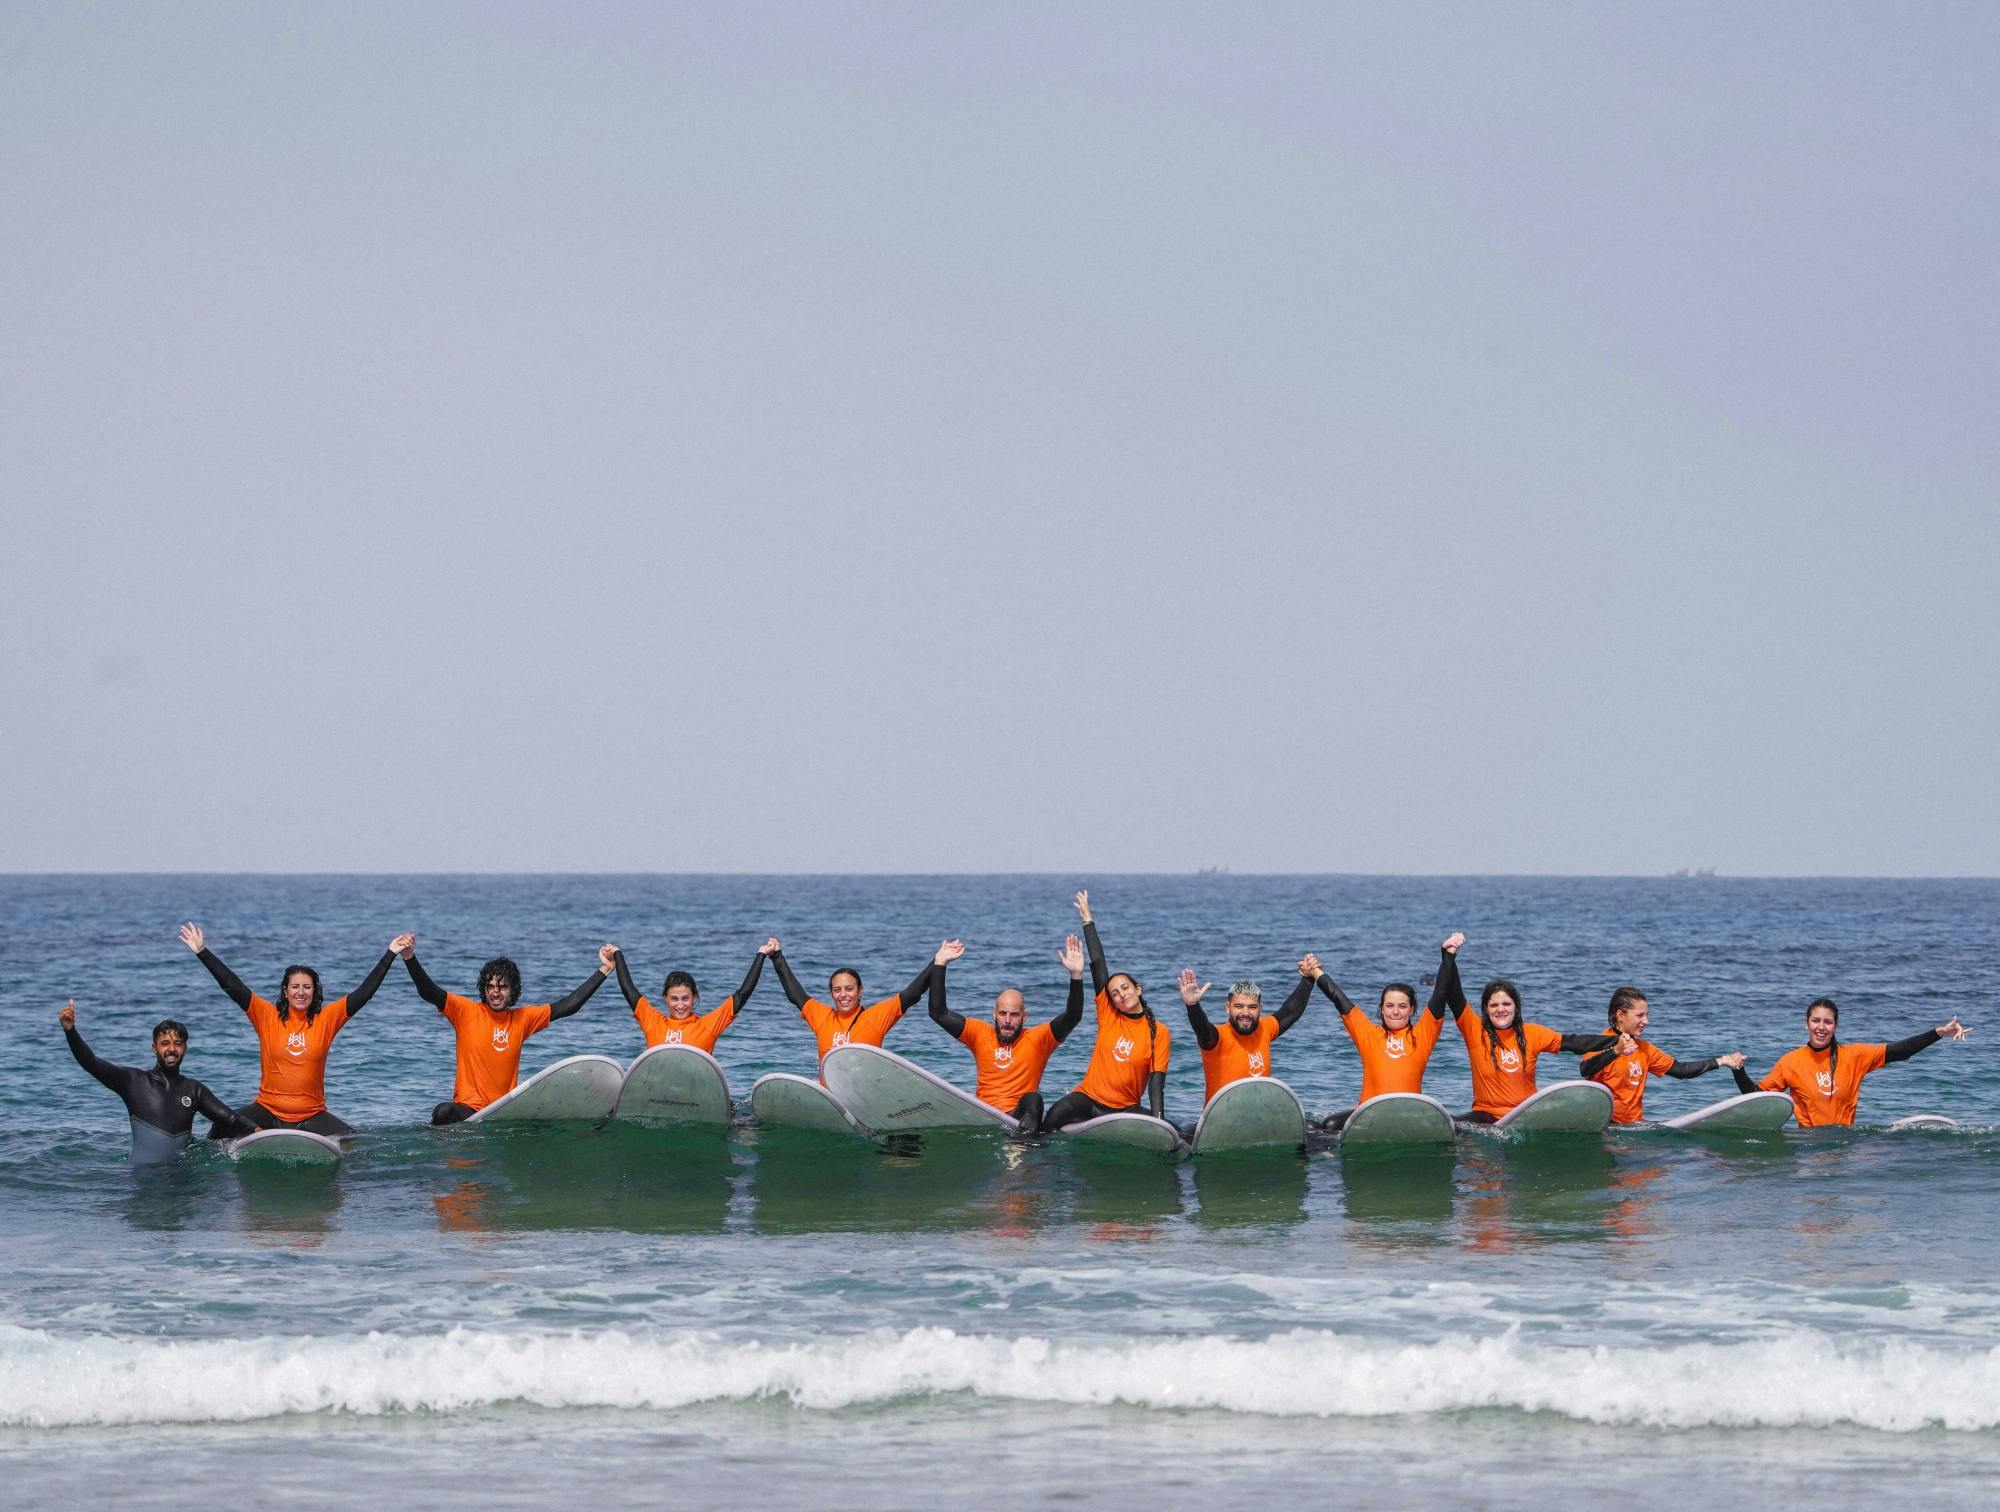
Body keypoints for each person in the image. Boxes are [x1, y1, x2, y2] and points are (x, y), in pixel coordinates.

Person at [178, 922, 402, 1136]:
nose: (301, 992)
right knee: (220, 1127)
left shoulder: (327, 1019)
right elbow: (232, 986)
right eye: (295, 987)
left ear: (314, 991)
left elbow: (364, 993)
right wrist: (202, 952)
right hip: (267, 1111)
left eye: (307, 987)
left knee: (351, 1141)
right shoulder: (266, 1015)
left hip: (311, 1115)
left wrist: (390, 953)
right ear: (285, 991)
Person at [398, 937, 616, 1124]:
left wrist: (605, 969)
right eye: (491, 986)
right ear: (484, 989)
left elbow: (569, 1005)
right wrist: (409, 957)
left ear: (513, 991)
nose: (496, 992)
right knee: (442, 1112)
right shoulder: (465, 1011)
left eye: (502, 987)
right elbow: (429, 991)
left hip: (503, 1110)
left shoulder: (522, 1019)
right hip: (469, 1110)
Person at [925, 935, 1087, 1133]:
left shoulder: (1039, 1038)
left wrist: (1076, 975)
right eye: (1002, 1013)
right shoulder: (978, 1032)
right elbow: (938, 1013)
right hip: (984, 1114)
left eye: (1014, 1014)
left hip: (1018, 1119)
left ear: (1024, 1016)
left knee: (1033, 1099)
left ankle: (1021, 1152)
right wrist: (940, 964)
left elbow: (1073, 1016)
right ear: (994, 1013)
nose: (1007, 1020)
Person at [59, 1000, 253, 1162]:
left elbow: (231, 1119)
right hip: (143, 1181)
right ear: (154, 1048)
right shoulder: (133, 1081)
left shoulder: (194, 1090)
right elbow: (90, 1063)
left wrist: (260, 1132)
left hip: (180, 1180)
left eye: (178, 1044)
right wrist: (70, 1031)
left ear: (185, 1048)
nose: (171, 1049)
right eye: (165, 1043)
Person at [1730, 997, 1970, 1127]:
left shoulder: (1853, 1056)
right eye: (1816, 1021)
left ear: (1835, 1026)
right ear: (1806, 1023)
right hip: (1807, 1147)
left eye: (1828, 1022)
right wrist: (1738, 1070)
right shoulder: (1790, 1062)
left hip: (1845, 1144)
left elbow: (1900, 1051)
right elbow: (1756, 1097)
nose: (1821, 1027)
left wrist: (1938, 1033)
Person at [1043, 891, 1172, 1130]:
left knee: (1177, 1130)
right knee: (1056, 1112)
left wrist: (1160, 1126)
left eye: (1125, 988)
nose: (1121, 994)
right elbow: (1098, 963)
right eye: (1115, 993)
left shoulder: (1159, 1033)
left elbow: (1156, 1084)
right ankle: (1030, 1155)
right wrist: (1087, 920)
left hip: (1125, 1110)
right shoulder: (1109, 1014)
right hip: (1089, 1100)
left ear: (1138, 989)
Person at [1312, 932, 1464, 1131]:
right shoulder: (1368, 1033)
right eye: (1390, 1005)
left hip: (1409, 1114)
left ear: (1411, 1009)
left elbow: (1441, 993)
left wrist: (1448, 954)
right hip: (1368, 1112)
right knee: (1327, 1125)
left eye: (1402, 1006)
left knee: (1455, 1127)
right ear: (1382, 1008)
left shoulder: (1423, 1034)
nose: (1395, 1011)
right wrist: (1314, 972)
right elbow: (1338, 998)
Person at [1452, 974, 1612, 1123]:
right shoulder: (1476, 1031)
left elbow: (1573, 1043)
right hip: (1486, 1116)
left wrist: (1615, 1041)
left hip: (1524, 1114)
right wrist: (1449, 956)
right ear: (1486, 1009)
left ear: (1516, 1006)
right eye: (1494, 1005)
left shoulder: (1531, 1033)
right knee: (1457, 1124)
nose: (1500, 1009)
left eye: (1506, 1003)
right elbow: (1454, 996)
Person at [1577, 986, 1746, 1124]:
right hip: (1604, 1126)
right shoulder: (1599, 1043)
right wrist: (1616, 1051)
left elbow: (1681, 1070)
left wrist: (1722, 1061)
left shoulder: (1644, 1049)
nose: (1646, 1021)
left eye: (1646, 1015)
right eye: (1640, 1015)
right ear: (1620, 1015)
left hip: (1633, 1126)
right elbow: (1586, 1069)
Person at [766, 940, 935, 1062]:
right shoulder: (822, 1017)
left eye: (849, 989)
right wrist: (777, 957)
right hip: (831, 1095)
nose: (843, 995)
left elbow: (911, 995)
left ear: (860, 990)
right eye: (837, 990)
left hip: (863, 1094)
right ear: (832, 994)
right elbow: (796, 995)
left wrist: (939, 962)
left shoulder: (874, 1017)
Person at [1176, 959, 1315, 1105]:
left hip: (1259, 1117)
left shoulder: (1264, 1028)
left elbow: (1291, 1011)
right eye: (1239, 1006)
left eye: (1252, 1007)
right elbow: (1202, 1028)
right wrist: (1192, 1006)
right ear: (1227, 1007)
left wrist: (1309, 978)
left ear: (1260, 1009)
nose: (1246, 1013)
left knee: (1316, 1127)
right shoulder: (1217, 1038)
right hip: (1220, 1120)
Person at [612, 938, 779, 1052]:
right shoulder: (653, 1022)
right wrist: (617, 954)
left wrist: (761, 954)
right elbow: (629, 990)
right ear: (666, 999)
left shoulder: (707, 1025)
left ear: (694, 999)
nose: (680, 1005)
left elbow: (742, 994)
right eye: (674, 999)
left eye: (685, 998)